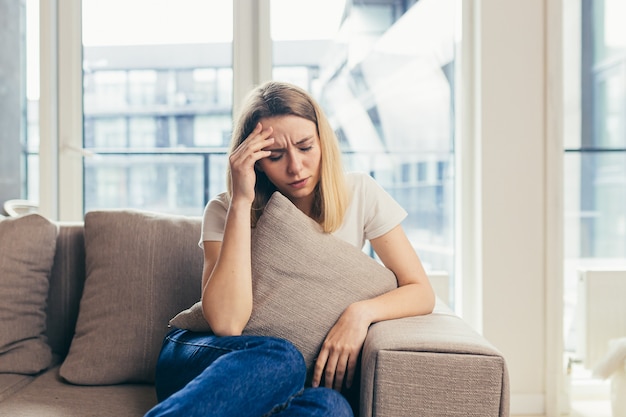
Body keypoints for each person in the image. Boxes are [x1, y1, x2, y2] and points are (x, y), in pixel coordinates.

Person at [144, 81, 435, 417]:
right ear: (255, 161)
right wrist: (242, 200)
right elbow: (226, 323)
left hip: (290, 382)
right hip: (206, 359)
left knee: (332, 406)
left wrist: (360, 314)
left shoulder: (361, 193)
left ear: (323, 142)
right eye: (276, 156)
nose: (295, 167)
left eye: (305, 147)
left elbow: (420, 291)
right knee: (282, 358)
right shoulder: (224, 209)